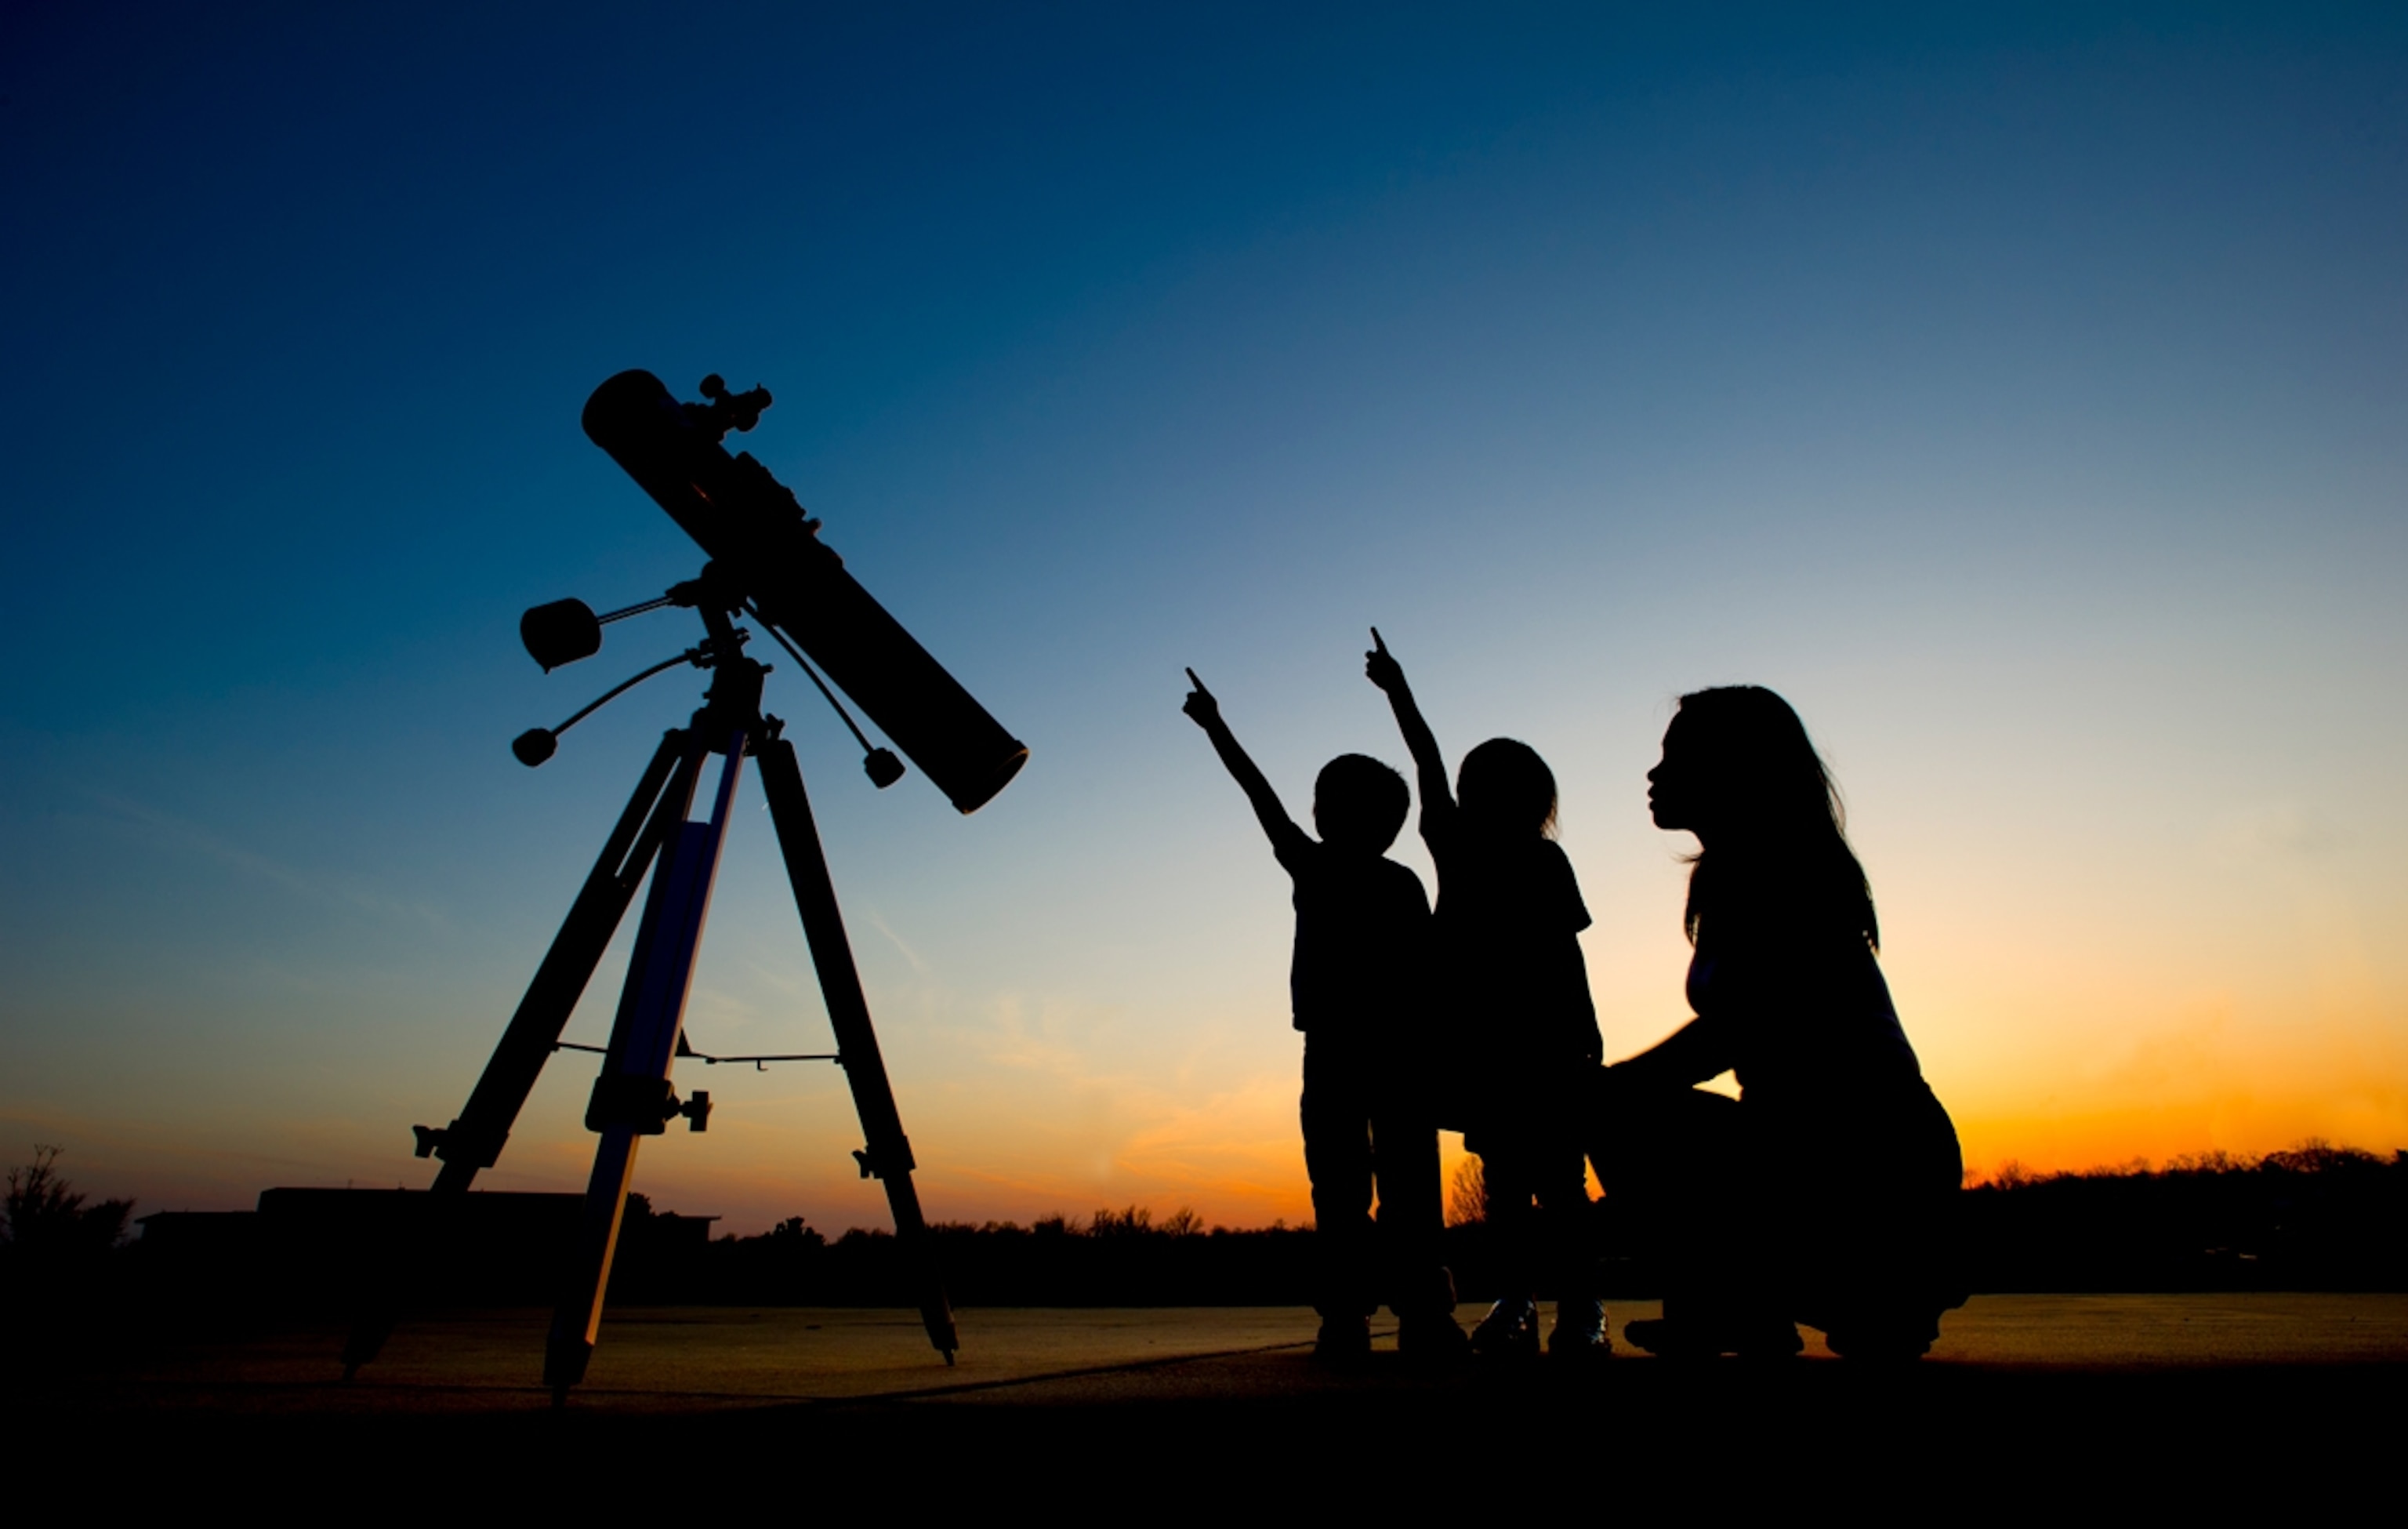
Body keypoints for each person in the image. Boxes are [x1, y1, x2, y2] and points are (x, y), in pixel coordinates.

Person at [1597, 685, 1965, 1360]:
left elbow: (1738, 1028)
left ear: (1732, 769)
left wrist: (1608, 1084)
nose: (1654, 776)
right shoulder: (1740, 874)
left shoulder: (1779, 872)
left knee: (1616, 1113)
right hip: (1819, 1148)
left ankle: (1802, 1295)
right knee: (1624, 1105)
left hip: (1867, 1156)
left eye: (1675, 757)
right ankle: (1786, 1301)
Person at [1180, 666, 1468, 1360]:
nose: (1320, 814)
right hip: (1343, 1050)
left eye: (1335, 804)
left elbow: (1260, 796)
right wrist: (1216, 725)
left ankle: (1412, 1312)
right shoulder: (1328, 869)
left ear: (1382, 822)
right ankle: (1354, 1313)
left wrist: (1217, 724)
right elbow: (1259, 794)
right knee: (1350, 1190)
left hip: (1389, 1052)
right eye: (1321, 803)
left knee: (1397, 1191)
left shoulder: (1379, 880)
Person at [1364, 630, 1606, 1358]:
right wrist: (1398, 690)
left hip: (1544, 1039)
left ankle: (1580, 1307)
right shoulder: (1456, 842)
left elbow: (1567, 956)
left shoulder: (1542, 859)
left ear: (1526, 798)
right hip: (1484, 1041)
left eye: (1487, 782)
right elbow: (1426, 759)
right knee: (1507, 1183)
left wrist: (1586, 1034)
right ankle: (1520, 1301)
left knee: (1559, 1184)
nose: (1469, 791)